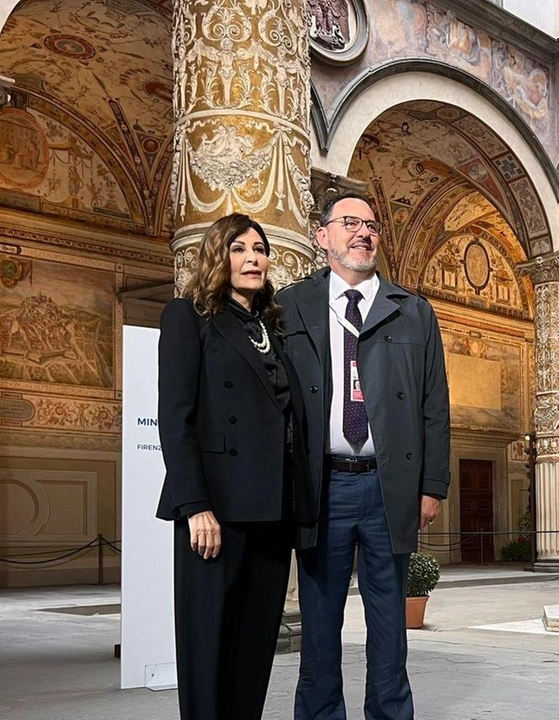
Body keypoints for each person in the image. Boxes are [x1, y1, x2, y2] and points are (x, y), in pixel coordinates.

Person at [277, 191, 451, 720]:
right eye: (350, 222)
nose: (363, 232)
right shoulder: (290, 306)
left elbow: (434, 403)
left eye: (372, 225)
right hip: (321, 484)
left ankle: (390, 714)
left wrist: (433, 484)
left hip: (387, 487)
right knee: (321, 620)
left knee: (387, 621)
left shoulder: (414, 311)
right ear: (321, 235)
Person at [155, 213, 316, 720]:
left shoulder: (274, 327)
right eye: (239, 248)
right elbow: (175, 419)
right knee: (208, 642)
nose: (253, 258)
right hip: (217, 509)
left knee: (255, 643)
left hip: (273, 507)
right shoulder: (189, 316)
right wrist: (195, 506)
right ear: (217, 257)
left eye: (260, 249)